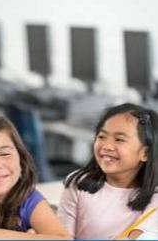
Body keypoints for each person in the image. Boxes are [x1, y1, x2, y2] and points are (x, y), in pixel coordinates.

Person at [57, 103, 158, 240]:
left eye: (119, 139)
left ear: (145, 153)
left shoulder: (155, 195)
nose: (106, 146)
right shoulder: (78, 183)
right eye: (102, 137)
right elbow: (62, 237)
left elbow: (140, 236)